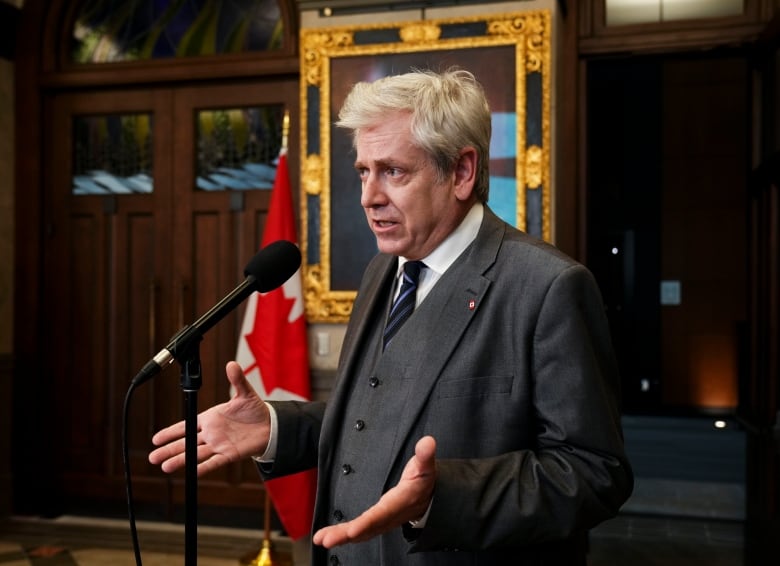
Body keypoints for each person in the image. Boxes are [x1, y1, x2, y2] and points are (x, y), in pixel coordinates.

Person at [149, 67, 633, 565]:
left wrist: (441, 498)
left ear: (462, 172)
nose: (369, 197)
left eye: (393, 172)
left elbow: (593, 471)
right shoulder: (384, 270)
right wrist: (277, 428)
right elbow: (376, 420)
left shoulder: (548, 286)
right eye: (363, 171)